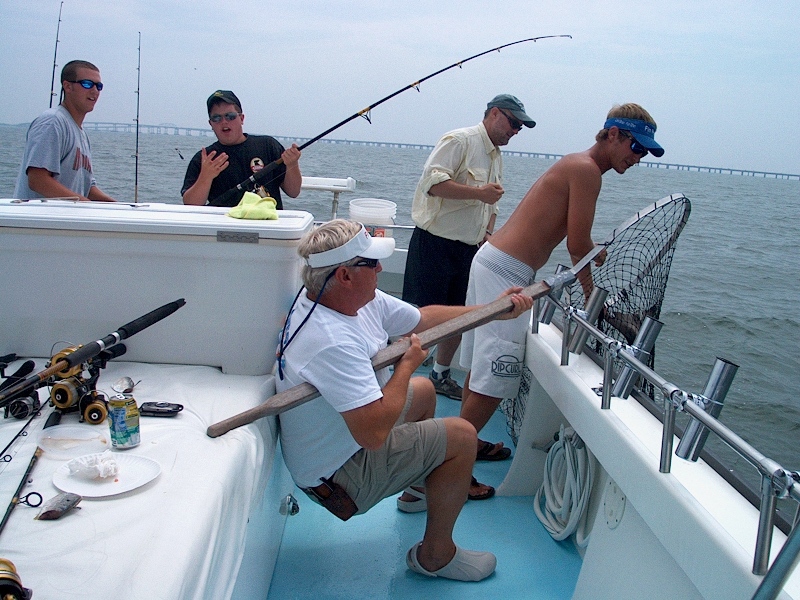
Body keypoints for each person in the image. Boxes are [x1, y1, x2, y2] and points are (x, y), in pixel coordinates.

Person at [275, 219, 532, 581]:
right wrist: (408, 366)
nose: (381, 268)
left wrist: (493, 307)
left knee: (426, 393)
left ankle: (418, 492)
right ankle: (435, 557)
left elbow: (422, 320)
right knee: (461, 435)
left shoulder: (345, 297)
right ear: (345, 275)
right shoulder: (332, 341)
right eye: (371, 263)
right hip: (336, 477)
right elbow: (373, 435)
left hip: (340, 440)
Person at [459, 103, 665, 459]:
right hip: (505, 273)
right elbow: (576, 247)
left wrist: (590, 251)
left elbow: (577, 239)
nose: (639, 157)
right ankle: (443, 464)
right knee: (494, 376)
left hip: (493, 262)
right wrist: (593, 300)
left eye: (645, 152)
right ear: (613, 135)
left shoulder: (577, 164)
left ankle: (466, 446)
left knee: (483, 369)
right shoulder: (587, 171)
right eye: (636, 147)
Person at [402, 94, 535, 408]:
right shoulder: (459, 141)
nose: (515, 131)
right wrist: (479, 193)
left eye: (521, 127)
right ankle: (398, 378)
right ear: (493, 114)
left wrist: (487, 233)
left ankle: (440, 373)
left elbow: (493, 202)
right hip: (434, 245)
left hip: (468, 251)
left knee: (458, 319)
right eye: (513, 122)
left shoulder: (495, 156)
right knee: (419, 316)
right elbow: (432, 185)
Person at [14, 60, 116, 202]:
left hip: (69, 221)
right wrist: (87, 206)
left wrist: (118, 207)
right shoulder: (52, 122)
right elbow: (38, 180)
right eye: (87, 84)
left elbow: (88, 189)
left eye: (99, 86)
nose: (94, 91)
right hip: (42, 222)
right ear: (67, 86)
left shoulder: (82, 135)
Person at [181, 90, 302, 207]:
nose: (224, 122)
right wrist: (205, 176)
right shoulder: (204, 158)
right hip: (225, 226)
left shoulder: (268, 145)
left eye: (230, 116)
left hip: (267, 224)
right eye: (216, 118)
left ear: (242, 119)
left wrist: (292, 164)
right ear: (210, 124)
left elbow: (293, 192)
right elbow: (191, 205)